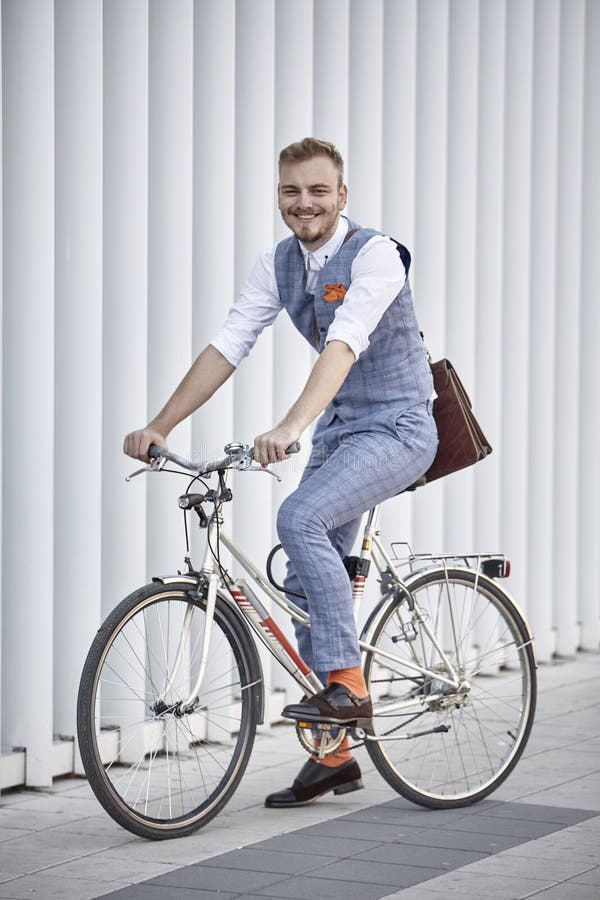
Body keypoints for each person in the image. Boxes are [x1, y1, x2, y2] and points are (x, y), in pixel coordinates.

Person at [124, 137, 438, 809]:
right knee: (300, 577)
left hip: (399, 427)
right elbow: (230, 342)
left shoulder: (378, 255)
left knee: (299, 517)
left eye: (318, 190)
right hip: (342, 433)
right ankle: (335, 755)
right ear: (279, 197)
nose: (305, 203)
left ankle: (348, 688)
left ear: (342, 195)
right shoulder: (279, 264)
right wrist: (161, 425)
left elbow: (346, 341)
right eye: (292, 191)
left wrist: (291, 427)